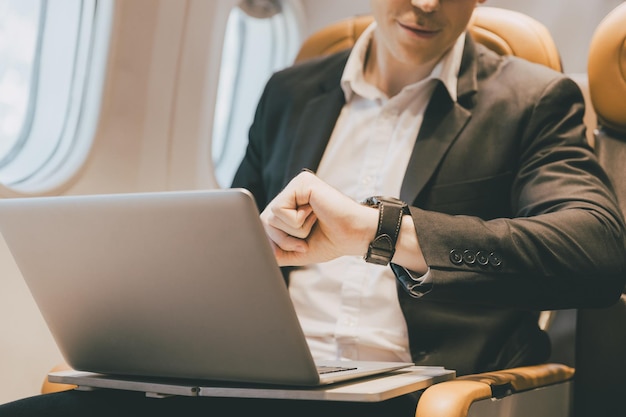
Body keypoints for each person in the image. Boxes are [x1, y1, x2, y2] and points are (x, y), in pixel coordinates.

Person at [1, 0, 625, 416]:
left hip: (414, 392)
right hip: (253, 379)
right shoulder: (289, 92)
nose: (427, 2)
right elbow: (226, 247)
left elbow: (597, 253)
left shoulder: (533, 100)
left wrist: (384, 232)